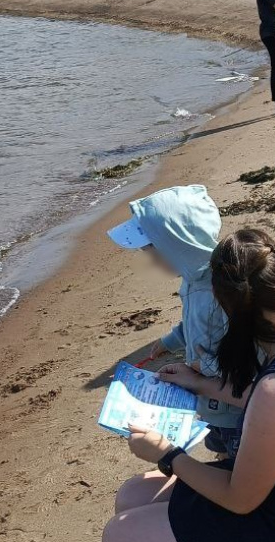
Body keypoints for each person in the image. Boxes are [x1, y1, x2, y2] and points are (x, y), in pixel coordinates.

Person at [102, 229, 275, 542]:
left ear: (225, 304)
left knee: (122, 531)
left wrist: (168, 454)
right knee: (134, 493)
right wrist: (201, 384)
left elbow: (240, 500)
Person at [107, 185, 244, 458]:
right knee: (219, 445)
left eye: (154, 254)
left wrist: (196, 368)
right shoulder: (194, 280)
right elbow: (192, 324)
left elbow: (243, 358)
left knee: (235, 453)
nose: (152, 263)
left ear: (178, 247)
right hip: (211, 404)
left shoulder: (221, 293)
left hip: (233, 408)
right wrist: (170, 341)